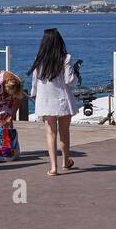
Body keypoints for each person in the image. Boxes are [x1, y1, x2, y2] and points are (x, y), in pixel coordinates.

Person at [29, 29, 79, 176]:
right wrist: (76, 74)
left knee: (50, 134)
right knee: (64, 133)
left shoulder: (39, 60)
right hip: (62, 100)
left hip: (45, 101)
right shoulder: (66, 58)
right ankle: (66, 161)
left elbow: (35, 83)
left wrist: (34, 95)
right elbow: (70, 81)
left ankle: (53, 167)